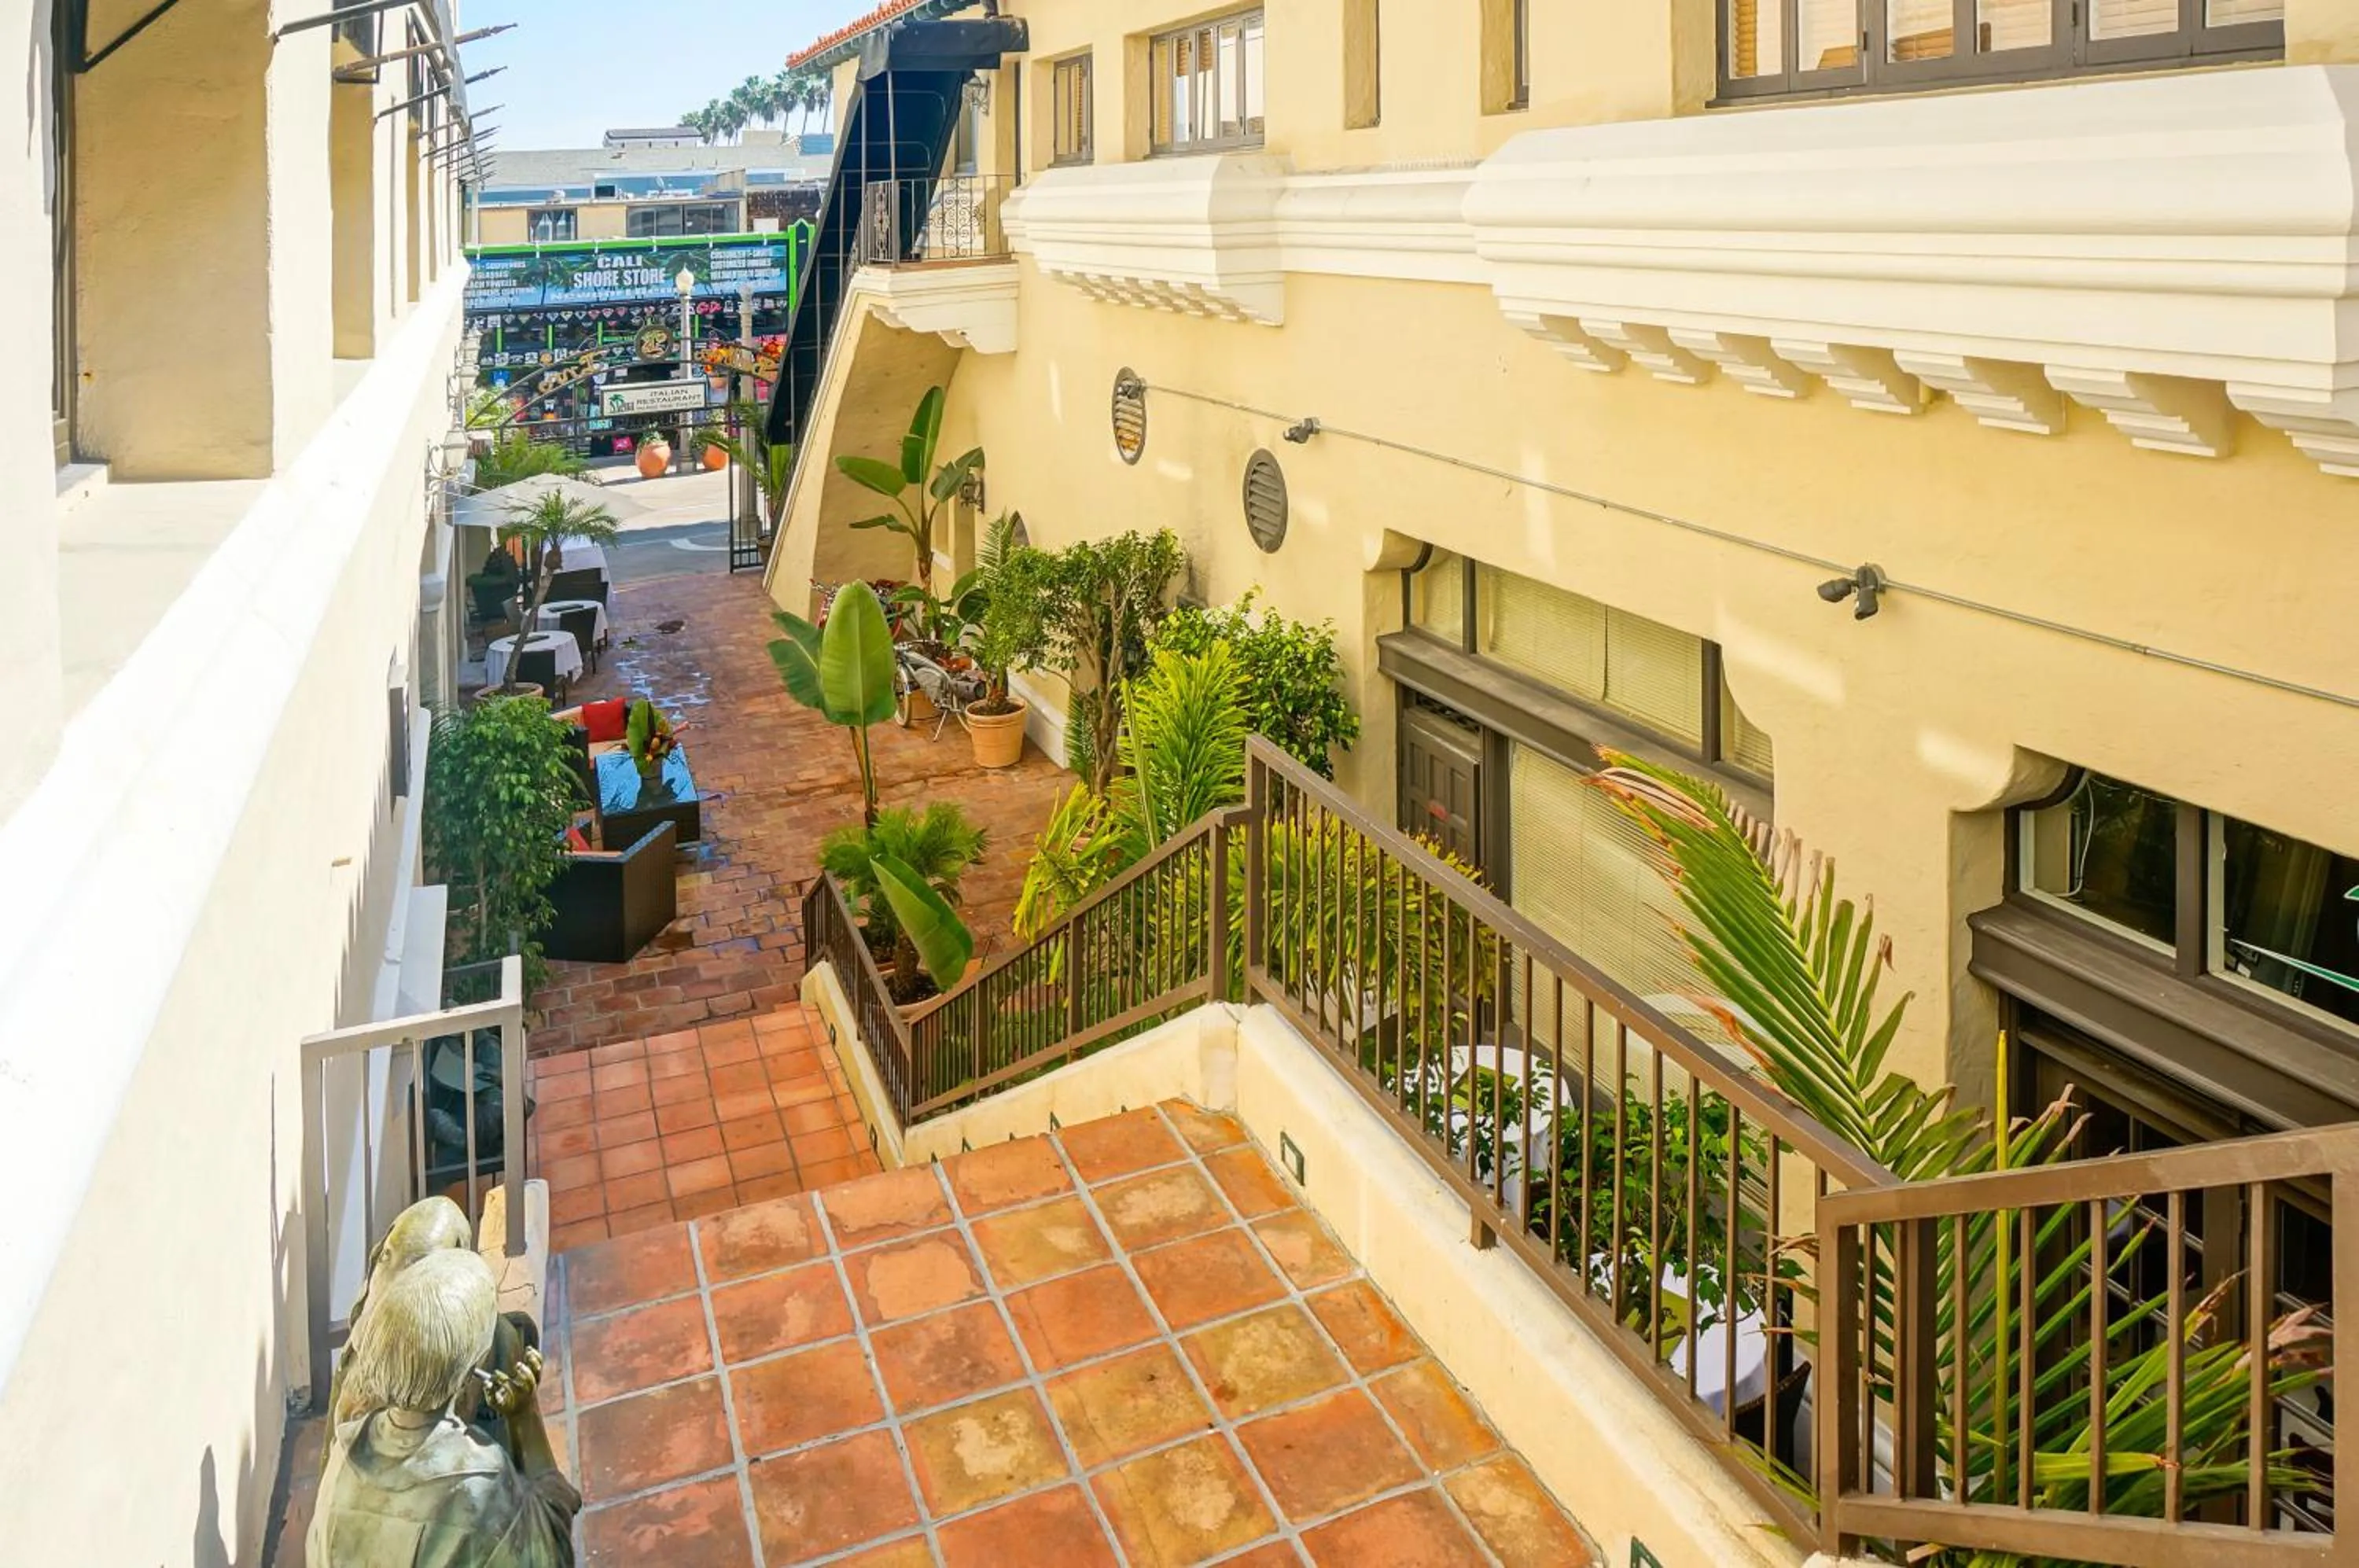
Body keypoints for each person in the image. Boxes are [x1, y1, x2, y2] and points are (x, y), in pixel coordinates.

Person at [307, 1250, 580, 1567]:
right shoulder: (481, 1482)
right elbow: (550, 1550)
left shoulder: (346, 1447)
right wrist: (525, 1417)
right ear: (468, 1373)